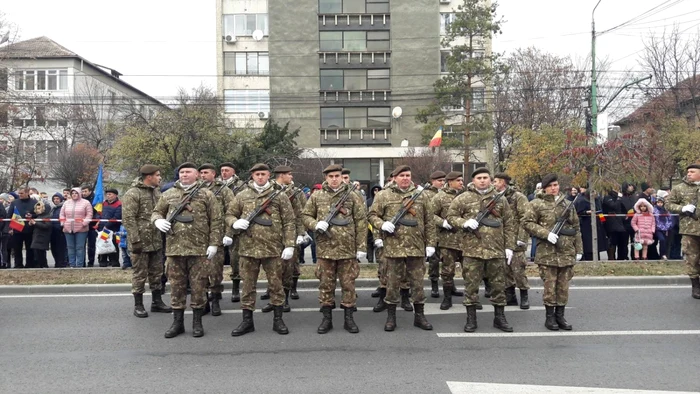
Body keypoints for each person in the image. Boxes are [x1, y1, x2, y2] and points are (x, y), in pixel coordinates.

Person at [152, 162, 221, 338]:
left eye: (188, 172)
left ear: (196, 174)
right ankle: (177, 323)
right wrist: (157, 221)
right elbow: (156, 212)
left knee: (198, 287)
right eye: (181, 172)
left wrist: (214, 243)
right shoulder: (168, 194)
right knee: (176, 287)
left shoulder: (206, 194)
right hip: (175, 250)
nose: (184, 175)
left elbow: (216, 220)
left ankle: (197, 323)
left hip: (199, 250)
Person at [228, 163, 295, 336]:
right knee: (248, 287)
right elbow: (229, 214)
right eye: (257, 174)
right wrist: (234, 223)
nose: (260, 177)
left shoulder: (279, 196)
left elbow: (289, 221)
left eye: (263, 174)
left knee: (276, 285)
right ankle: (247, 321)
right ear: (252, 176)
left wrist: (289, 245)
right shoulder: (242, 195)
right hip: (248, 249)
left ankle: (278, 320)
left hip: (273, 249)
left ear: (268, 176)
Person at [368, 165, 436, 332]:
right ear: (395, 177)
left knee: (418, 284)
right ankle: (391, 317)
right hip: (393, 247)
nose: (405, 178)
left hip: (416, 246)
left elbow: (430, 221)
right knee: (392, 284)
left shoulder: (421, 195)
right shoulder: (384, 195)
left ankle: (419, 316)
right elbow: (371, 215)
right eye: (402, 175)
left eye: (408, 175)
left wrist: (431, 244)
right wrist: (382, 224)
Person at [447, 168, 516, 333]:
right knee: (471, 286)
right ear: (473, 180)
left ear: (491, 180)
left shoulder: (500, 199)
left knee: (498, 286)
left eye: (485, 177)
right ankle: (471, 319)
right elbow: (450, 217)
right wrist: (464, 222)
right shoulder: (463, 198)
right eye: (479, 178)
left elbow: (509, 223)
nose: (483, 180)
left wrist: (509, 247)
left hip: (496, 250)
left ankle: (499, 318)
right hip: (472, 251)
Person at [301, 164, 366, 334]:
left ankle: (349, 319)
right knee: (325, 285)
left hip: (348, 250)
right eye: (331, 177)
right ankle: (326, 319)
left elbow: (361, 221)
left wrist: (361, 247)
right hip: (325, 249)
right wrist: (315, 224)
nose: (334, 179)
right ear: (326, 178)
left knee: (348, 285)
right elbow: (305, 216)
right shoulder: (317, 196)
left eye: (337, 176)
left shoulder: (352, 195)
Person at [523, 173, 583, 331]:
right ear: (544, 188)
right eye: (550, 186)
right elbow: (527, 223)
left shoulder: (568, 204)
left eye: (555, 185)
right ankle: (549, 318)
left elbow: (576, 228)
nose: (553, 188)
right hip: (547, 253)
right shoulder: (536, 204)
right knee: (550, 287)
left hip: (566, 251)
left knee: (563, 287)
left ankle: (560, 316)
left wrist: (579, 249)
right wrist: (546, 234)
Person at [123, 164, 173, 318]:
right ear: (149, 177)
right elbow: (128, 219)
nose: (160, 178)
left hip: (156, 240)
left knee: (156, 273)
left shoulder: (156, 192)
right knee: (139, 274)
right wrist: (135, 240)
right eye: (157, 175)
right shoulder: (133, 193)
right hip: (141, 242)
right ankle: (138, 305)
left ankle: (156, 302)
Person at [258, 165, 308, 313]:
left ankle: (284, 299)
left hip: (289, 234)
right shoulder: (269, 190)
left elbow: (300, 214)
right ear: (281, 175)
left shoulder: (295, 192)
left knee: (287, 269)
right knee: (272, 271)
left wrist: (300, 233)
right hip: (271, 235)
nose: (291, 177)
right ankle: (274, 300)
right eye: (289, 174)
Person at [198, 163, 235, 316]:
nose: (202, 175)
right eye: (200, 173)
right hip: (197, 237)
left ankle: (215, 300)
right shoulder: (195, 189)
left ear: (213, 174)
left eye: (206, 172)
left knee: (215, 270)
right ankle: (203, 300)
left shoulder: (224, 190)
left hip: (217, 236)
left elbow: (231, 212)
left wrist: (229, 233)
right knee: (200, 270)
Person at [494, 172, 531, 309]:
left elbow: (526, 218)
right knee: (504, 270)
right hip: (501, 240)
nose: (494, 184)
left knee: (518, 270)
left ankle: (524, 295)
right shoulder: (495, 197)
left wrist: (522, 238)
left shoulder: (518, 197)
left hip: (516, 240)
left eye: (496, 181)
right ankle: (510, 296)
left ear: (503, 182)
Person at [666, 163, 700, 299]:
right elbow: (668, 204)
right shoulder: (680, 188)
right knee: (692, 258)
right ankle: (695, 287)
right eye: (688, 172)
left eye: (692, 171)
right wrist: (683, 209)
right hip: (690, 229)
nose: (689, 174)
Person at [431, 171, 464, 310]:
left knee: (470, 270)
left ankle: (472, 299)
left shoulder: (467, 196)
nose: (461, 183)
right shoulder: (440, 197)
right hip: (448, 240)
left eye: (462, 180)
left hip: (466, 240)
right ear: (450, 182)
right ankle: (447, 298)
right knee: (447, 271)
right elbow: (430, 214)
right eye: (458, 180)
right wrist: (442, 222)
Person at [219, 162, 245, 303]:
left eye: (226, 170)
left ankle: (235, 288)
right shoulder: (214, 185)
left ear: (233, 171)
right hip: (216, 228)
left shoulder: (241, 186)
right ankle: (213, 289)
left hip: (235, 228)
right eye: (222, 170)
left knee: (235, 259)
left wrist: (233, 228)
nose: (224, 173)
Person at [424, 170, 447, 299]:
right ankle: (434, 285)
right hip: (435, 232)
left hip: (449, 234)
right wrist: (441, 222)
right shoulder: (426, 194)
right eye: (439, 181)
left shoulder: (447, 194)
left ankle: (450, 285)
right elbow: (429, 214)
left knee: (448, 261)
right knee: (434, 261)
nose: (442, 183)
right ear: (432, 181)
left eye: (443, 181)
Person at [60, 188, 93, 268]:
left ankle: (79, 265)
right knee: (70, 247)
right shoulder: (66, 203)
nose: (74, 194)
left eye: (76, 193)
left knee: (80, 248)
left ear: (79, 194)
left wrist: (84, 223)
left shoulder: (86, 203)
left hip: (81, 229)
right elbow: (62, 214)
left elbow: (89, 214)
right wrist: (63, 223)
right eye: (73, 193)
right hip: (68, 229)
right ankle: (72, 264)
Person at [7, 187, 38, 268]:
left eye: (21, 193)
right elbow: (9, 215)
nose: (20, 195)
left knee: (30, 248)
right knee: (17, 248)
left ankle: (30, 264)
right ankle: (18, 264)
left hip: (30, 229)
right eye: (19, 193)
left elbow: (38, 214)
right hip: (17, 228)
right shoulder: (15, 202)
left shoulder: (34, 202)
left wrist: (32, 215)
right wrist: (10, 228)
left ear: (27, 193)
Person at [574, 187, 607, 261]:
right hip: (586, 225)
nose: (595, 194)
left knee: (597, 245)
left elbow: (600, 211)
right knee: (588, 245)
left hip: (597, 224)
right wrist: (586, 212)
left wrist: (602, 220)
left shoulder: (597, 200)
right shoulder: (582, 201)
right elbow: (578, 212)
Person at [98, 188, 122, 267]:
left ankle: (114, 262)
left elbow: (117, 216)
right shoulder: (104, 203)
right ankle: (103, 262)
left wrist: (107, 225)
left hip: (114, 229)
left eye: (110, 194)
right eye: (107, 194)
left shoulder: (119, 204)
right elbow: (99, 214)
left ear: (115, 195)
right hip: (103, 229)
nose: (108, 196)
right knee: (103, 244)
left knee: (113, 245)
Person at [603, 189, 628, 260]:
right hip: (611, 224)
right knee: (612, 242)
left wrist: (623, 217)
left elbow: (623, 209)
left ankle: (621, 257)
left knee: (621, 242)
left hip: (620, 223)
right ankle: (611, 258)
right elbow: (614, 206)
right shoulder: (607, 198)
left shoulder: (618, 198)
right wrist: (619, 198)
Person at [29, 201, 52, 268]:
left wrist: (35, 223)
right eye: (37, 208)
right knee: (37, 252)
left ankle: (44, 265)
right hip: (37, 236)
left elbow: (46, 226)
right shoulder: (38, 216)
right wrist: (32, 224)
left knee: (41, 253)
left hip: (43, 237)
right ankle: (40, 265)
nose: (37, 210)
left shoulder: (47, 216)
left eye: (39, 208)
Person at [81, 185, 98, 267]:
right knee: (81, 245)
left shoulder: (95, 199)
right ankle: (82, 262)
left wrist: (95, 221)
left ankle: (91, 262)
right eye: (82, 191)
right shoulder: (80, 199)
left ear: (90, 191)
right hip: (82, 225)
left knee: (91, 245)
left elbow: (98, 211)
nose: (83, 193)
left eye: (85, 191)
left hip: (92, 225)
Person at [620, 182, 639, 260]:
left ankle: (634, 256)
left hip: (634, 222)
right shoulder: (622, 198)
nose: (631, 187)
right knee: (624, 242)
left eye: (631, 185)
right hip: (625, 222)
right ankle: (624, 256)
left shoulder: (635, 197)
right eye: (629, 186)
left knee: (634, 241)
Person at [49, 193, 68, 268]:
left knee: (61, 248)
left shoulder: (63, 207)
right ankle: (57, 262)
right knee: (53, 248)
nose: (56, 200)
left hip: (60, 230)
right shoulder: (53, 208)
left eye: (57, 199)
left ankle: (62, 262)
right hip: (52, 230)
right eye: (54, 199)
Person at [527, 182, 542, 262]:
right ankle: (533, 257)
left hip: (541, 222)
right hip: (533, 221)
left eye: (540, 187)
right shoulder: (531, 197)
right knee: (534, 240)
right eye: (538, 187)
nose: (539, 189)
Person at [0, 194, 9, 269]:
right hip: (3, 229)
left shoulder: (1, 207)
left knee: (2, 247)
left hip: (2, 230)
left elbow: (2, 219)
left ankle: (3, 263)